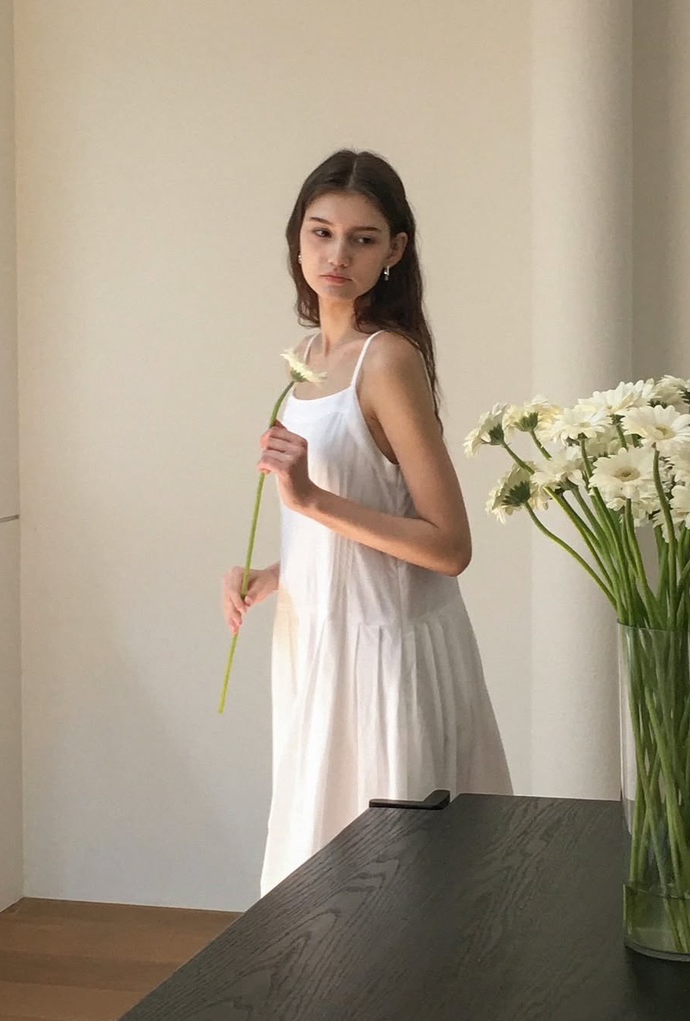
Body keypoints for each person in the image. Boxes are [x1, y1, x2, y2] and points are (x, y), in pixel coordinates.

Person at [222, 150, 512, 896]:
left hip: (382, 656)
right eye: (321, 233)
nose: (337, 255)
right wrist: (275, 574)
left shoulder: (386, 361)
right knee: (321, 883)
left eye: (362, 238)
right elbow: (361, 519)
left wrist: (311, 500)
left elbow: (449, 545)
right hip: (319, 647)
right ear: (297, 238)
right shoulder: (308, 358)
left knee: (393, 891)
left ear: (395, 250)